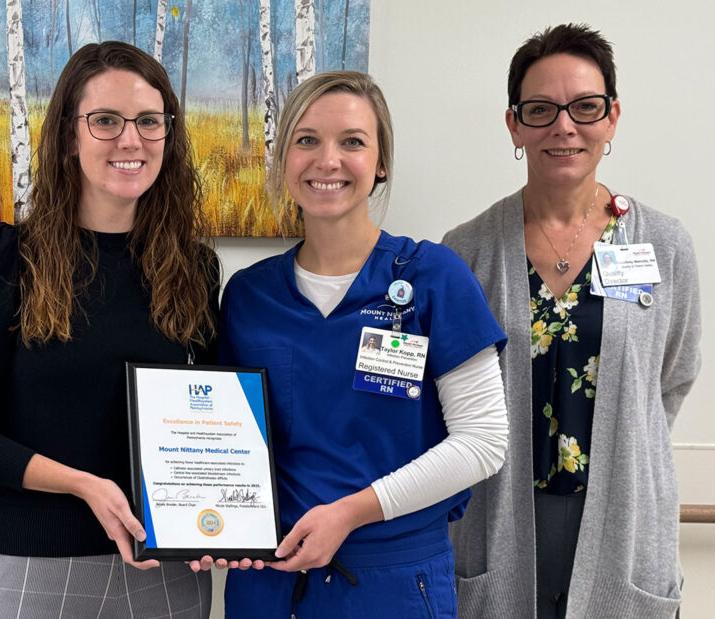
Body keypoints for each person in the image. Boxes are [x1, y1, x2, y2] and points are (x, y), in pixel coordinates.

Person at [0, 41, 218, 618]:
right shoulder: (1, 260)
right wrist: (83, 484)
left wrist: (224, 517)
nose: (130, 139)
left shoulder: (194, 270)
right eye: (105, 120)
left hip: (167, 571)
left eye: (149, 121)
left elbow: (207, 421)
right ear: (67, 136)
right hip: (34, 564)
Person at [203, 71, 509, 618]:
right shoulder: (249, 296)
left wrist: (349, 513)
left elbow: (483, 441)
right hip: (270, 583)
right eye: (307, 140)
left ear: (381, 161)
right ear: (283, 159)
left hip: (394, 582)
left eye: (352, 141)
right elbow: (232, 441)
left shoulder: (432, 277)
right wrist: (208, 518)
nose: (328, 160)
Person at [443, 24, 701, 619]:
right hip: (501, 516)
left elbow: (672, 376)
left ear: (611, 117)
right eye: (541, 110)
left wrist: (619, 443)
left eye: (585, 107)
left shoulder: (663, 244)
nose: (564, 126)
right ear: (514, 125)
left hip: (621, 516)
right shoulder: (466, 253)